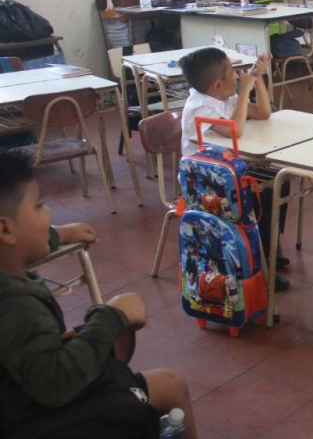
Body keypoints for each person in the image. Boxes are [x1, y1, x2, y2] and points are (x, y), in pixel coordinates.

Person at [0, 149, 199, 439]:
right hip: (37, 415)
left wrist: (58, 235)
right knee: (162, 389)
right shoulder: (14, 305)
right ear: (5, 229)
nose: (49, 212)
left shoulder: (8, 271)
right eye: (39, 205)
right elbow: (55, 384)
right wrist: (111, 315)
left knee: (171, 383)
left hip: (26, 395)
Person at [179, 47, 292, 292]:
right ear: (218, 84)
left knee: (280, 178)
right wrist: (244, 93)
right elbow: (235, 131)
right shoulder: (200, 108)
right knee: (263, 193)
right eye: (233, 71)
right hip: (206, 184)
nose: (238, 74)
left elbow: (263, 113)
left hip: (229, 173)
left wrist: (257, 79)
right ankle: (263, 261)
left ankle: (269, 247)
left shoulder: (222, 98)